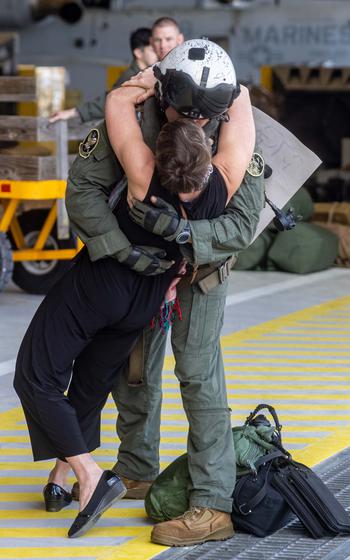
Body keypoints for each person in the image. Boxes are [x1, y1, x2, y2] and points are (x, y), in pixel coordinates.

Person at [13, 40, 256, 542]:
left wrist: (185, 239)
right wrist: (124, 249)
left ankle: (212, 502)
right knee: (132, 372)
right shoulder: (203, 133)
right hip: (143, 275)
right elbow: (82, 189)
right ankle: (136, 468)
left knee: (198, 371)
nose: (191, 120)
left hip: (199, 271)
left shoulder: (145, 133)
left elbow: (243, 224)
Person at [50, 17, 184, 124]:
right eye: (157, 40)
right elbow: (111, 99)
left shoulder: (189, 68)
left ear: (179, 39)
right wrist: (75, 112)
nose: (163, 45)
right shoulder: (146, 75)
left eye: (168, 39)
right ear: (151, 41)